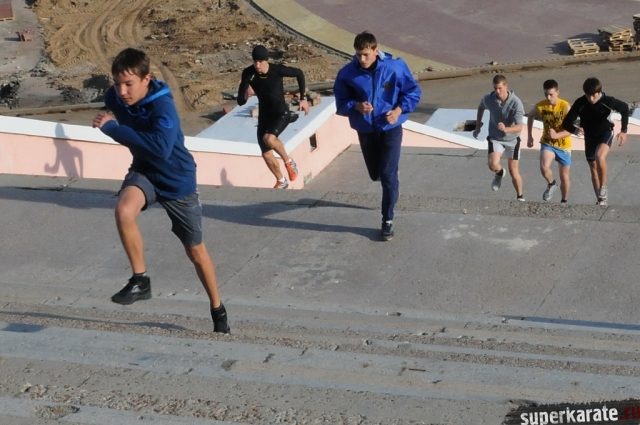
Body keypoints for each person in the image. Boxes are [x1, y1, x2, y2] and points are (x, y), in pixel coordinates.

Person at [92, 47, 230, 334]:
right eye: (117, 83)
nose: (122, 91)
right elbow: (117, 108)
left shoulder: (163, 107)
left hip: (178, 181)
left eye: (129, 84)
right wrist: (114, 117)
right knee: (123, 210)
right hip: (145, 172)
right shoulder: (114, 97)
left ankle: (218, 309)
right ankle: (140, 280)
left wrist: (113, 129)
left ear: (147, 79)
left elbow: (161, 149)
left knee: (195, 251)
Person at [333, 31, 421, 241]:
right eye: (358, 55)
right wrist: (356, 106)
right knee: (376, 174)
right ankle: (390, 179)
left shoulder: (394, 67)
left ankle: (387, 219)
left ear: (376, 50)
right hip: (365, 129)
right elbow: (340, 102)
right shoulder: (347, 73)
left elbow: (413, 92)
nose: (362, 59)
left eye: (366, 54)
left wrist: (398, 111)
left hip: (390, 128)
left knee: (388, 175)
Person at [237, 45, 310, 189]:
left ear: (266, 61)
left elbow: (299, 73)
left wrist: (303, 98)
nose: (257, 65)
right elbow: (240, 101)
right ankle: (281, 180)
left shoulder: (277, 70)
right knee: (266, 153)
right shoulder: (248, 73)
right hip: (264, 116)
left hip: (280, 113)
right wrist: (246, 94)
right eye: (255, 61)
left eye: (260, 61)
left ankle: (289, 162)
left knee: (269, 139)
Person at [561, 77, 628, 205]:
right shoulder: (580, 103)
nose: (591, 99)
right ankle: (601, 200)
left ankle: (603, 187)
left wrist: (624, 131)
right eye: (588, 96)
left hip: (605, 132)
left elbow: (624, 108)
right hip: (590, 136)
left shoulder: (607, 101)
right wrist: (575, 130)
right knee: (593, 167)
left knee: (600, 156)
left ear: (599, 92)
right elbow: (567, 122)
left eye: (594, 96)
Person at [473, 75, 526, 201]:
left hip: (512, 140)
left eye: (500, 88)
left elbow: (519, 127)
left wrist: (506, 129)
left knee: (514, 171)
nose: (497, 91)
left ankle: (520, 197)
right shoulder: (489, 99)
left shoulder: (516, 103)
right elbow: (481, 107)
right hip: (495, 137)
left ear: (506, 86)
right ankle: (500, 173)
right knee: (493, 164)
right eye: (495, 88)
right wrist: (478, 126)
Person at [526, 79, 572, 203]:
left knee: (564, 177)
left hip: (563, 145)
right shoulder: (541, 105)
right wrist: (529, 136)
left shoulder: (565, 106)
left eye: (551, 94)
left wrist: (557, 135)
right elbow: (530, 115)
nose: (548, 98)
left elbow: (571, 129)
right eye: (546, 94)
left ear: (557, 92)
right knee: (544, 166)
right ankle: (552, 184)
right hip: (548, 142)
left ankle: (564, 201)